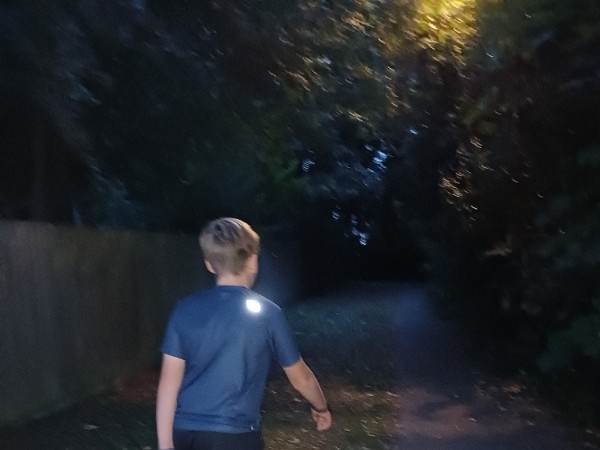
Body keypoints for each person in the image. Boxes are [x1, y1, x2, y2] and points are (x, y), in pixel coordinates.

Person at [156, 217, 332, 450]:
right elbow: (301, 379)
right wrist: (321, 407)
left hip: (185, 434)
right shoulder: (268, 314)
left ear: (209, 264)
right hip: (235, 436)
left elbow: (169, 384)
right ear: (253, 261)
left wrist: (165, 444)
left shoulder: (185, 309)